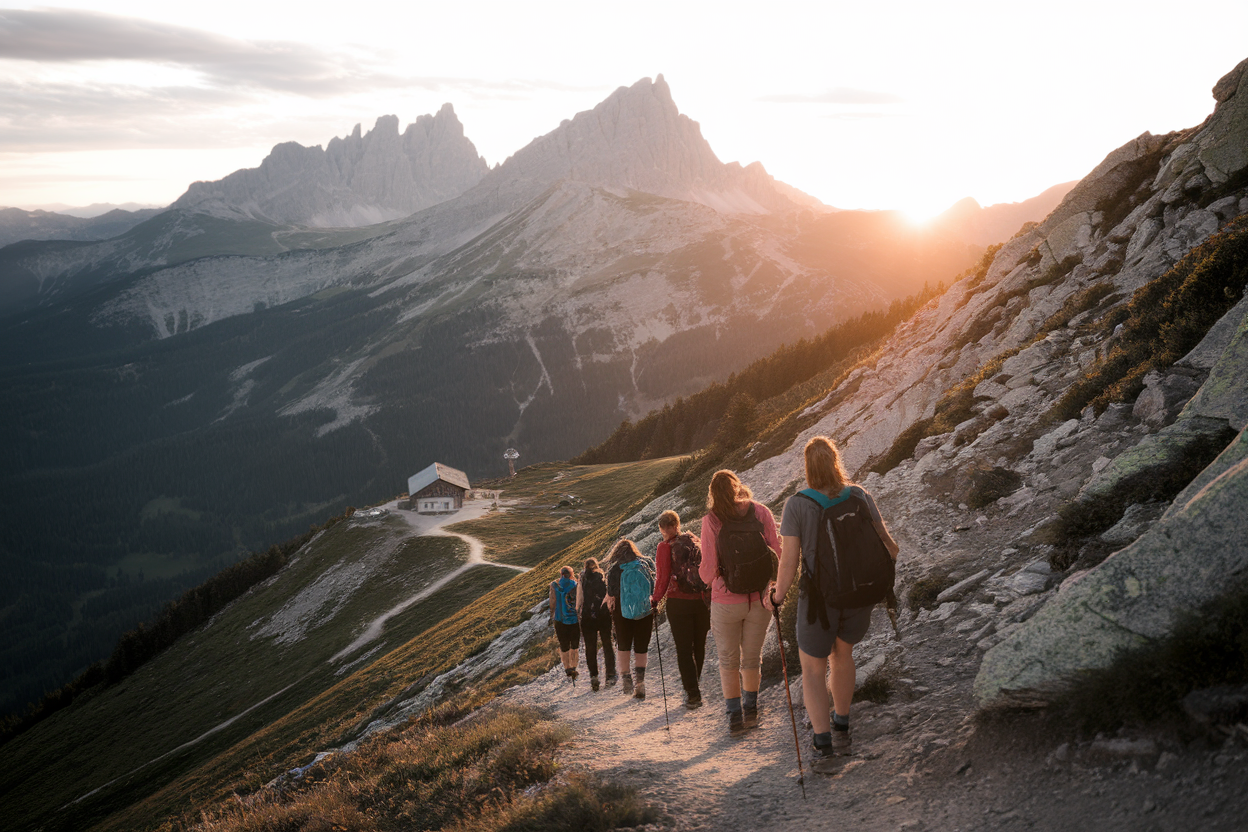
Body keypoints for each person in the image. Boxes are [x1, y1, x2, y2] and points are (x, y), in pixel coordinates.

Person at [772, 436, 899, 765]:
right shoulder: (859, 494)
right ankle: (842, 725)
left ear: (807, 467)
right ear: (835, 461)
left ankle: (823, 741)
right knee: (843, 656)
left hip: (818, 601)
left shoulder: (797, 505)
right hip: (859, 594)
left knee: (813, 669)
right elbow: (890, 546)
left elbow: (788, 563)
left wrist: (777, 596)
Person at [699, 469, 781, 735]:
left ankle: (735, 717)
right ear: (737, 487)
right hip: (759, 599)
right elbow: (778, 553)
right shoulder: (760, 512)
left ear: (713, 494)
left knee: (728, 660)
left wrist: (702, 574)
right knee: (751, 658)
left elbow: (708, 571)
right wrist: (774, 587)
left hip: (726, 601)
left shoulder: (711, 520)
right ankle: (752, 710)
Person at [651, 510, 710, 709]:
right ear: (678, 524)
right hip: (701, 602)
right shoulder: (694, 540)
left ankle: (693, 694)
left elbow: (662, 577)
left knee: (684, 649)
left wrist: (655, 600)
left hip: (678, 603)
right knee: (698, 645)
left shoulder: (664, 547)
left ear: (662, 528)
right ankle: (695, 683)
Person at [604, 539, 655, 700]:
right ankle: (640, 683)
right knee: (641, 647)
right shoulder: (646, 563)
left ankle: (626, 678)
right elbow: (654, 585)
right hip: (644, 610)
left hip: (621, 611)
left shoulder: (614, 568)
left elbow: (611, 592)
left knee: (623, 645)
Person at [577, 557, 617, 691]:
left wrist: (580, 612)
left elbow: (579, 601)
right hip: (602, 615)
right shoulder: (602, 577)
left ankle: (594, 676)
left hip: (588, 616)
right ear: (596, 566)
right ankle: (610, 674)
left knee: (590, 647)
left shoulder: (582, 580)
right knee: (607, 644)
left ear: (585, 567)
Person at [548, 565, 581, 682]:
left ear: (561, 574)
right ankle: (574, 666)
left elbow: (552, 602)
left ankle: (567, 668)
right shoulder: (576, 585)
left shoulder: (554, 585)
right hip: (574, 620)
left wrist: (552, 614)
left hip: (559, 619)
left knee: (564, 644)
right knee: (575, 645)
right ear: (571, 574)